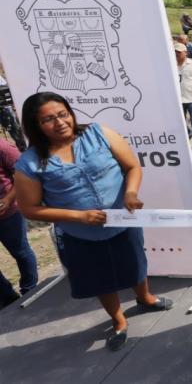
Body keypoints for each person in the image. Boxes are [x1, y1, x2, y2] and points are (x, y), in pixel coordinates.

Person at [14, 92, 172, 351]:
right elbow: (29, 209)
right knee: (101, 279)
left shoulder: (99, 133)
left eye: (63, 114)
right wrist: (78, 216)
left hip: (123, 221)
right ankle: (118, 319)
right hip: (81, 234)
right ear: (36, 126)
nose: (60, 122)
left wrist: (130, 193)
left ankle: (145, 298)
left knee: (135, 262)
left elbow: (132, 167)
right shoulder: (30, 163)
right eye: (49, 119)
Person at [0, 137, 37, 308]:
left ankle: (30, 290)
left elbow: (24, 173)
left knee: (21, 252)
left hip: (8, 214)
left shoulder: (2, 146)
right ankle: (7, 297)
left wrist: (8, 199)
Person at [0, 75, 26, 151]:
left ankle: (23, 148)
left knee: (15, 129)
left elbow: (6, 89)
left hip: (6, 109)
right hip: (5, 109)